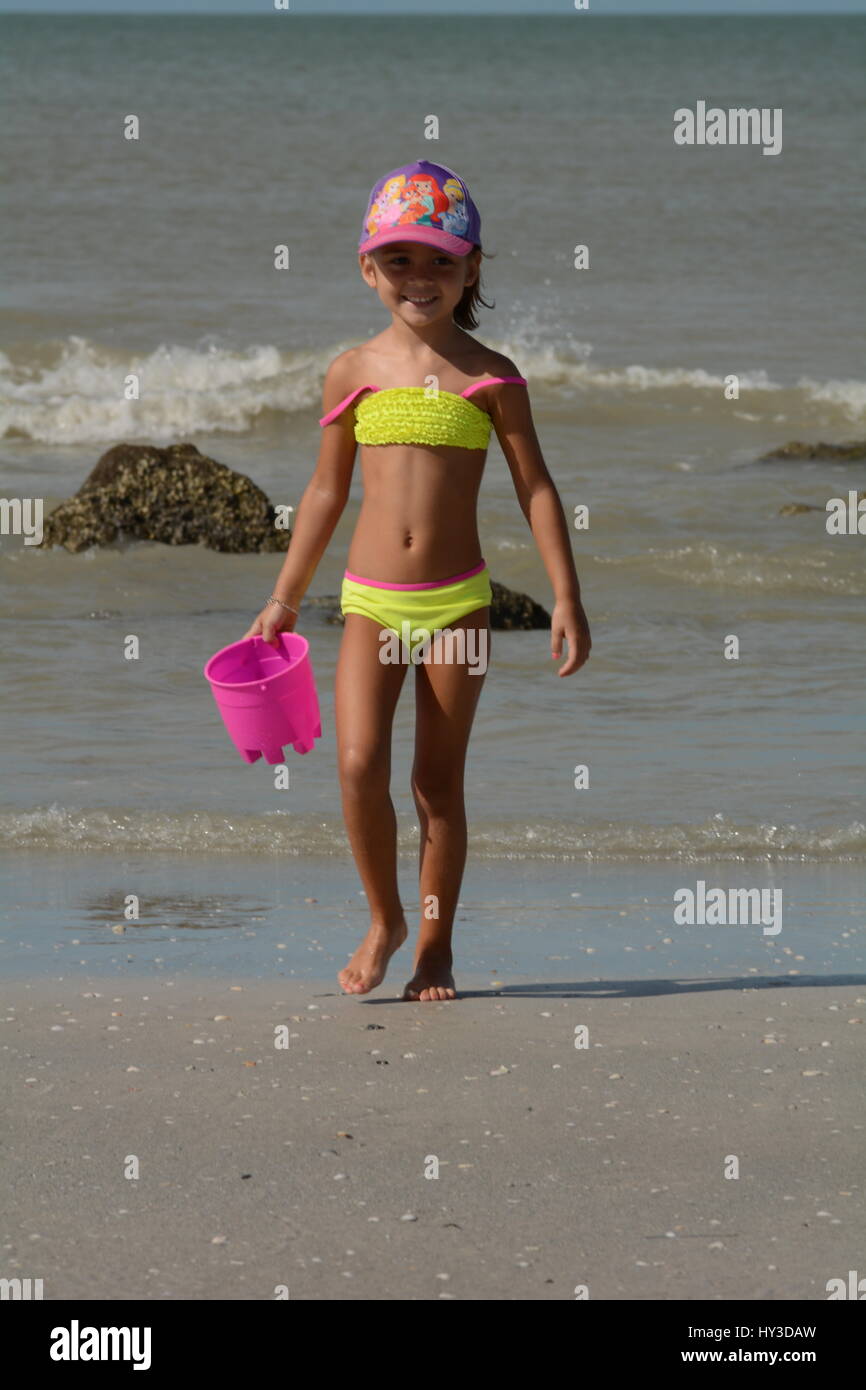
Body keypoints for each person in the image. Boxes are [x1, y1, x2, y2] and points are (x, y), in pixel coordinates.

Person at [244, 159, 591, 1002]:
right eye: (400, 261)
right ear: (368, 268)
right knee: (358, 763)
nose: (420, 279)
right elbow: (326, 491)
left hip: (459, 606)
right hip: (370, 599)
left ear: (472, 267)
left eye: (440, 261)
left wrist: (567, 596)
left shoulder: (493, 375)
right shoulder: (351, 371)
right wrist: (285, 597)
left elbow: (536, 488)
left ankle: (435, 944)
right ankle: (384, 918)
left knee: (437, 784)